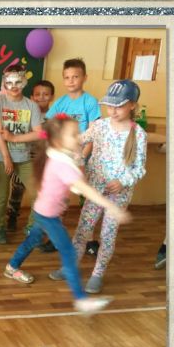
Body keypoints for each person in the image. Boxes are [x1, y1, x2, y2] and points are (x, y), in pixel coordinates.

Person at [3, 114, 131, 314]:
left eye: (78, 133)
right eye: (73, 134)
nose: (78, 137)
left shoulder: (56, 154)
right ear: (58, 140)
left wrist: (78, 155)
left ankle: (12, 266)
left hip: (43, 212)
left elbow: (73, 175)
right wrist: (111, 206)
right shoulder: (62, 163)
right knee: (69, 253)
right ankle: (81, 300)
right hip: (48, 216)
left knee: (33, 239)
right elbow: (85, 189)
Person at [49, 80, 147, 293]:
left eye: (119, 106)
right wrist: (69, 151)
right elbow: (80, 140)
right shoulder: (100, 125)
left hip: (119, 194)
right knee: (83, 229)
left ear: (132, 105)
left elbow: (139, 168)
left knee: (107, 235)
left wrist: (123, 182)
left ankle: (97, 274)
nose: (112, 111)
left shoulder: (138, 134)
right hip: (95, 188)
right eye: (109, 106)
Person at [45, 58, 102, 256]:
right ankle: (56, 238)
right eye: (67, 77)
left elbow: (94, 133)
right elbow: (49, 127)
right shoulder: (60, 103)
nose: (71, 81)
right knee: (60, 199)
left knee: (87, 201)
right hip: (64, 161)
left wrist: (81, 158)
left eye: (75, 77)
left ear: (84, 77)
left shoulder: (90, 102)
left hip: (84, 159)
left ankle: (90, 239)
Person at [0, 64, 42, 245]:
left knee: (39, 194)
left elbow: (39, 133)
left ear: (24, 81)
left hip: (24, 158)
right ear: (4, 82)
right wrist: (6, 157)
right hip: (0, 156)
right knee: (2, 196)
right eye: (9, 82)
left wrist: (15, 138)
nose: (13, 86)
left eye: (18, 81)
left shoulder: (31, 105)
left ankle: (31, 227)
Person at [6, 80, 55, 236]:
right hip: (23, 156)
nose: (41, 97)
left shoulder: (54, 116)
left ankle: (33, 224)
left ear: (52, 97)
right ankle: (12, 216)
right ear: (32, 97)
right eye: (37, 94)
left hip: (43, 159)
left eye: (45, 94)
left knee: (39, 191)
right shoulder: (26, 112)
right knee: (17, 188)